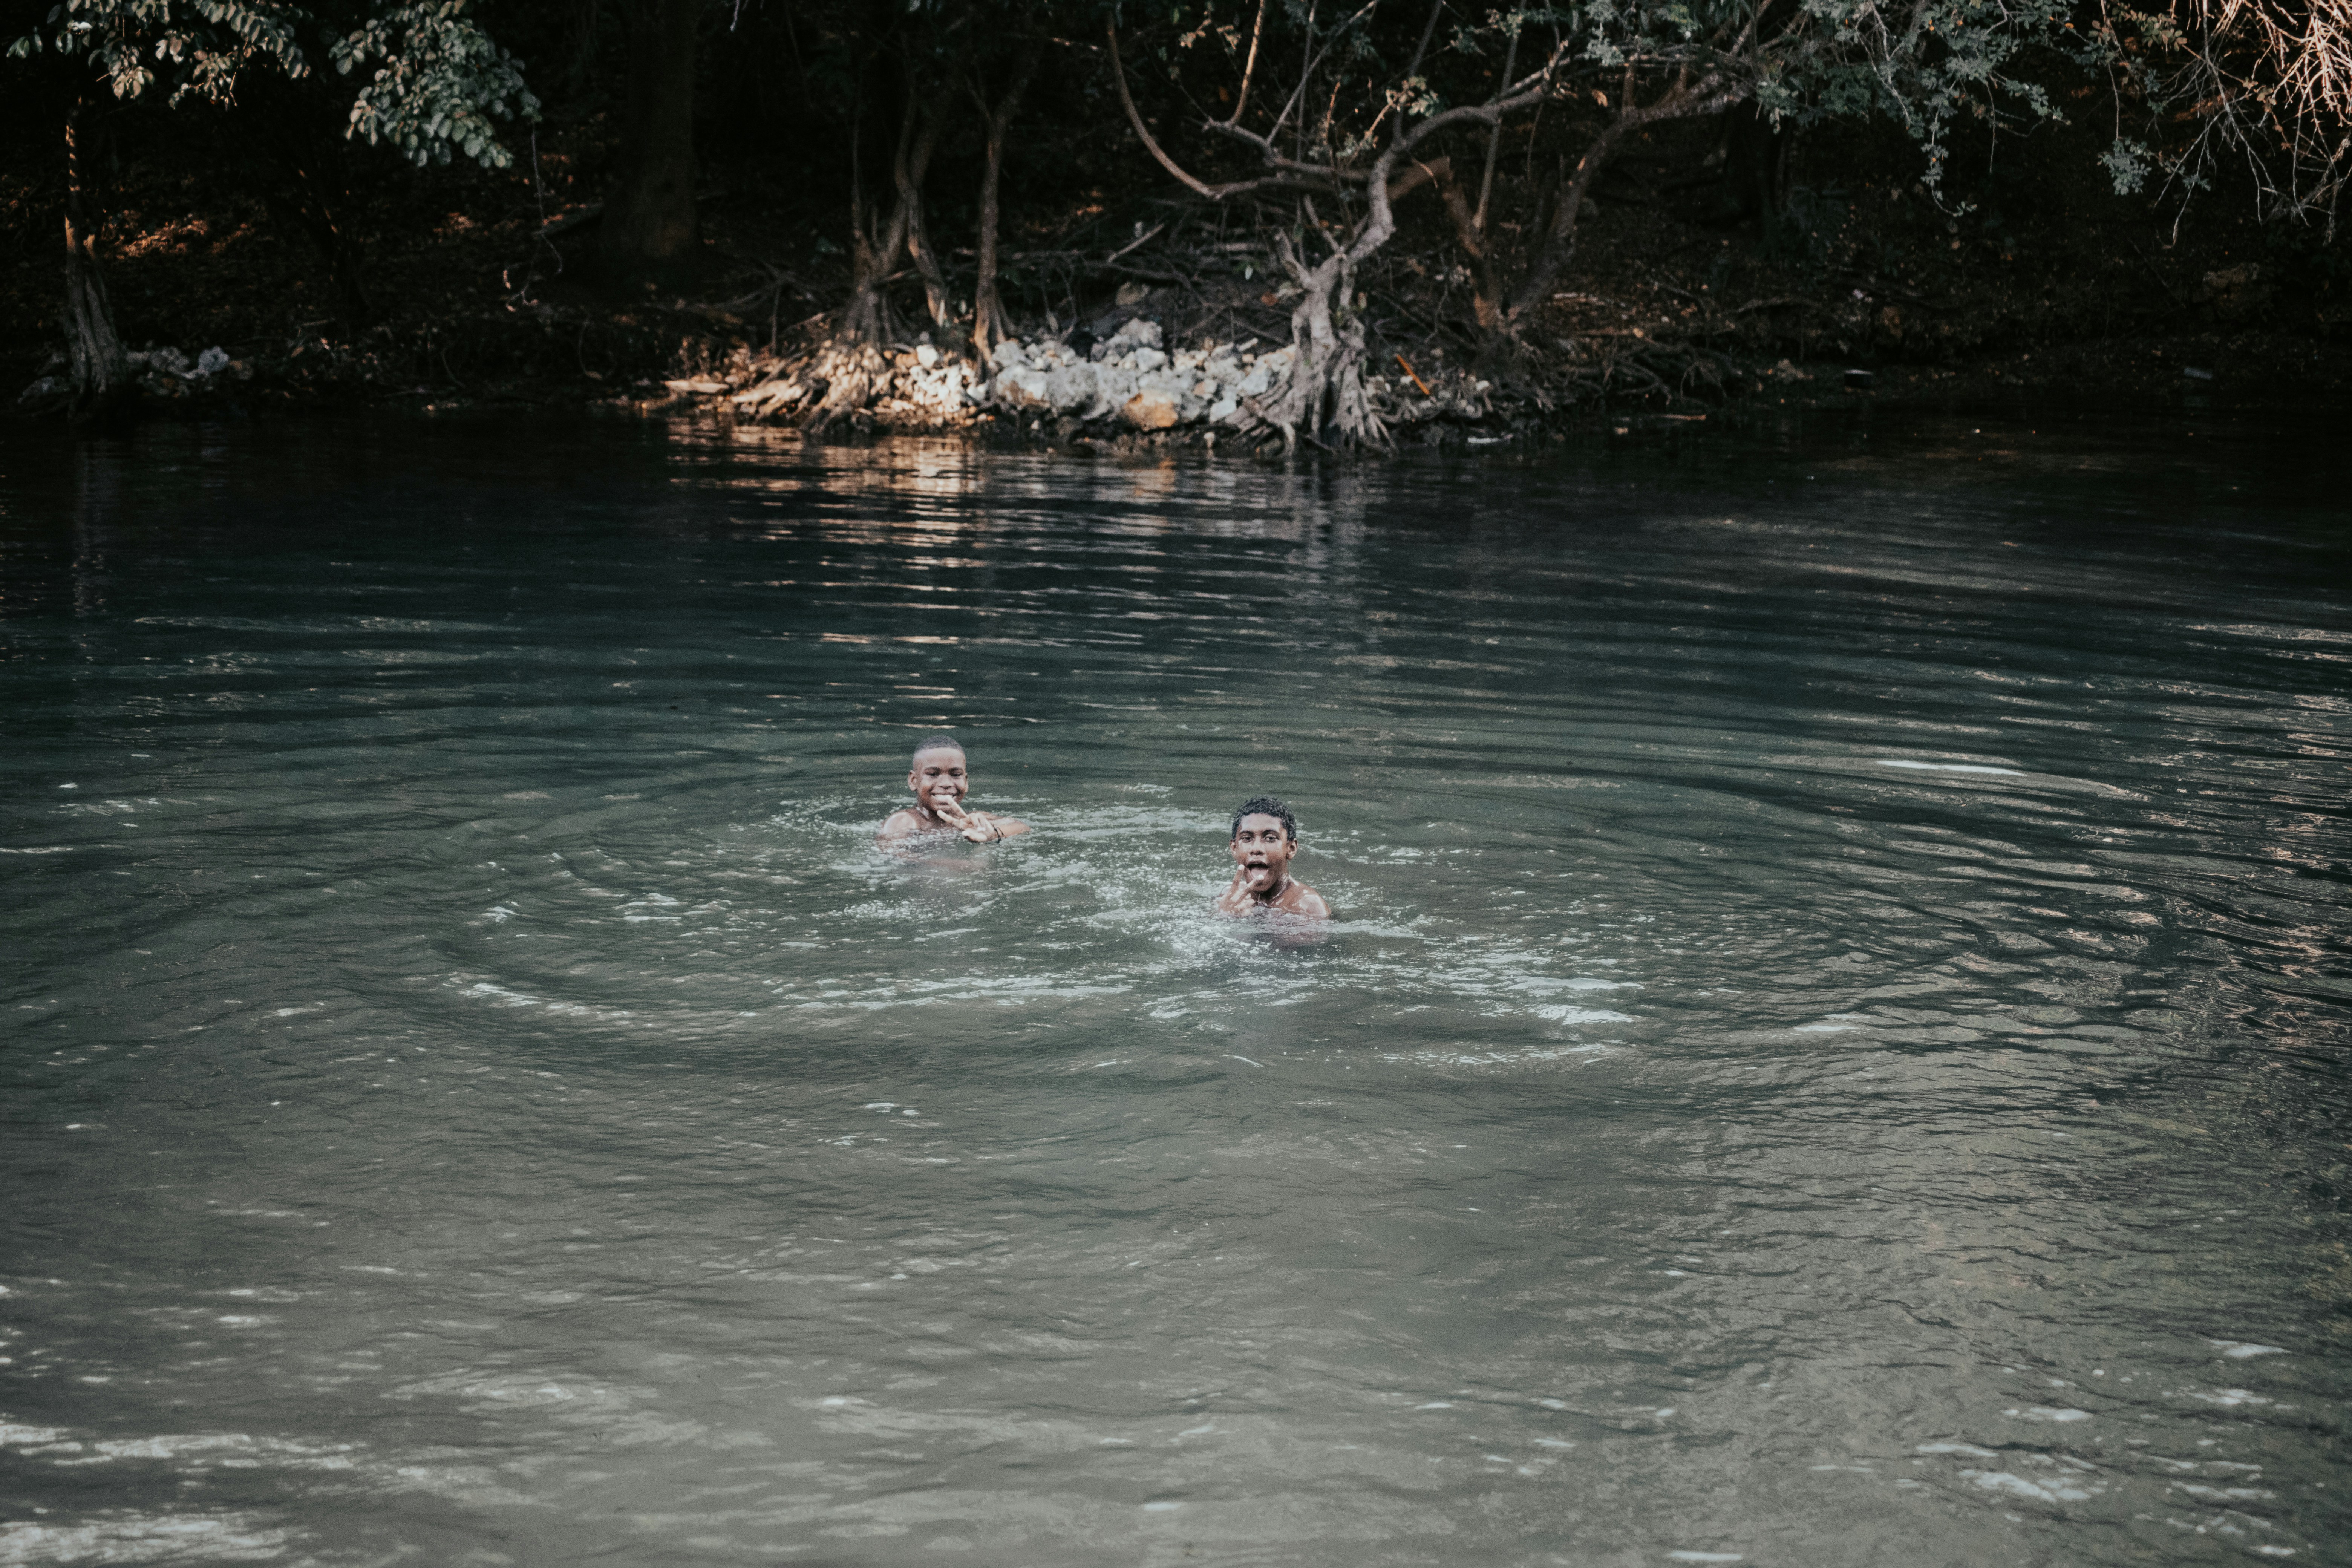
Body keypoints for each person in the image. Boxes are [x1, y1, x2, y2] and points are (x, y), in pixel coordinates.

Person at [877, 734, 1030, 845]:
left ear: (966, 781)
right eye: (933, 774)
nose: (946, 783)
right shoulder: (905, 821)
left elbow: (1022, 827)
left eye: (956, 775)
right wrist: (965, 869)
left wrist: (993, 834)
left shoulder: (972, 819)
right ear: (914, 781)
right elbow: (899, 860)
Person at [1216, 795, 1330, 918]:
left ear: (1291, 849)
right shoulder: (1229, 896)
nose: (1256, 849)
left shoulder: (1308, 907)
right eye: (1247, 839)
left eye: (1270, 838)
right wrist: (1225, 914)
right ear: (1234, 848)